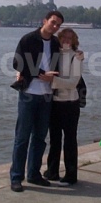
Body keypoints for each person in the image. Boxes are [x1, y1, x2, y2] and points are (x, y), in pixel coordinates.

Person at [10, 10, 64, 192]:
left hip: (47, 96)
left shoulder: (56, 42)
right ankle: (17, 177)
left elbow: (64, 58)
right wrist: (41, 74)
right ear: (45, 21)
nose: (55, 27)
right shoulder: (28, 40)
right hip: (29, 94)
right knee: (22, 137)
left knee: (40, 138)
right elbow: (17, 64)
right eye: (53, 22)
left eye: (58, 25)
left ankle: (34, 174)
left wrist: (78, 53)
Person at [39, 28, 83, 186]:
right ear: (59, 38)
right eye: (63, 37)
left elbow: (73, 83)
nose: (66, 40)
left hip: (70, 104)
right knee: (54, 139)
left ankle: (71, 175)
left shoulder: (76, 57)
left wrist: (53, 81)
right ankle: (52, 171)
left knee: (70, 140)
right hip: (55, 103)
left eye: (69, 38)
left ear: (74, 41)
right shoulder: (54, 54)